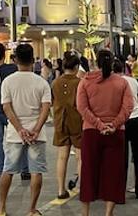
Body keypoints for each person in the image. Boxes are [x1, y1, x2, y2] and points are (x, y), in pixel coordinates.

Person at [0, 44, 52, 216]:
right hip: (37, 135)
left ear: (15, 60)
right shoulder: (41, 82)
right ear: (33, 60)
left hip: (14, 134)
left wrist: (20, 129)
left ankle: (2, 208)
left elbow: (6, 107)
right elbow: (46, 108)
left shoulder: (8, 82)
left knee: (8, 170)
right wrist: (35, 129)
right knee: (36, 171)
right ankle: (32, 210)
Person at [76, 49, 134, 216]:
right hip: (116, 133)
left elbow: (82, 107)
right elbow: (128, 107)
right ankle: (108, 212)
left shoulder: (85, 82)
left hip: (91, 132)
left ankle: (85, 213)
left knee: (88, 172)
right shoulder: (122, 82)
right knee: (113, 174)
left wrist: (99, 124)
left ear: (96, 63)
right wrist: (113, 125)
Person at [0, 43, 29, 183]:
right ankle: (24, 169)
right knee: (20, 137)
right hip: (11, 109)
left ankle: (0, 171)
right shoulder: (12, 68)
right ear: (5, 54)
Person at [115, 59, 138, 199]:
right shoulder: (133, 81)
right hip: (136, 118)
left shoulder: (112, 83)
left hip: (121, 121)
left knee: (120, 157)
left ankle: (119, 190)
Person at [51, 52, 83, 199]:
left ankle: (60, 190)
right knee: (80, 157)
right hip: (78, 122)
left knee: (62, 157)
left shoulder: (55, 83)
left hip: (61, 122)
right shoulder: (80, 83)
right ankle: (82, 188)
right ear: (76, 67)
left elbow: (51, 103)